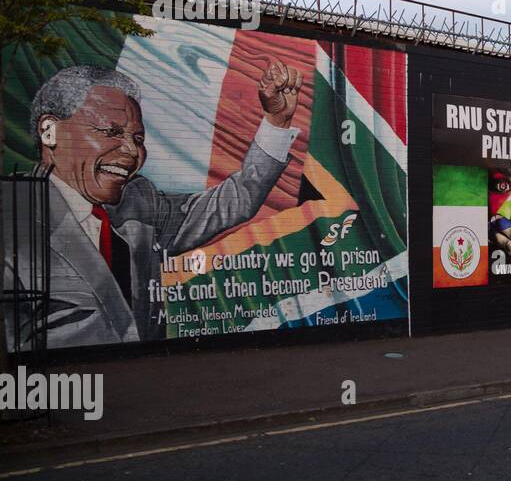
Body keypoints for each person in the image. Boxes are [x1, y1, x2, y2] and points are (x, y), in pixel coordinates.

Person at [6, 60, 301, 349]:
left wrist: (277, 122)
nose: (131, 152)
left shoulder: (138, 201)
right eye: (111, 132)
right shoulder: (12, 214)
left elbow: (236, 201)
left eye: (138, 138)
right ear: (50, 132)